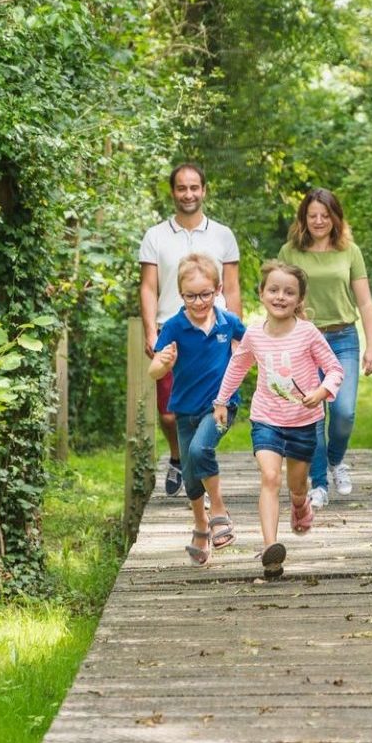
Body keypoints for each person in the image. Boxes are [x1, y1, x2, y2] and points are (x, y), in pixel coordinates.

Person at [213, 261, 343, 580]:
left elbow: (335, 369)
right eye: (273, 290)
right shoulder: (255, 334)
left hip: (302, 421)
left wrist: (322, 390)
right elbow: (237, 367)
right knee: (270, 477)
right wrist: (220, 400)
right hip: (266, 420)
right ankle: (271, 549)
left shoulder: (308, 333)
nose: (280, 297)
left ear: (299, 300)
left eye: (289, 292)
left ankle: (300, 506)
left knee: (297, 487)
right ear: (261, 294)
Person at [139, 163, 242, 497]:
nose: (188, 194)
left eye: (194, 187)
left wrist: (236, 337)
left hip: (215, 332)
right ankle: (178, 457)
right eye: (182, 188)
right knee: (170, 415)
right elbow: (148, 287)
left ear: (204, 190)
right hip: (173, 330)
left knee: (213, 406)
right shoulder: (155, 236)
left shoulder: (223, 235)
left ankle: (199, 461)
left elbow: (233, 287)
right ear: (173, 192)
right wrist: (150, 332)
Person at [276, 188, 372, 508]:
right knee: (313, 414)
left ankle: (335, 461)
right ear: (304, 219)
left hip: (343, 338)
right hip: (305, 341)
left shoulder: (350, 251)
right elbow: (278, 296)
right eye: (312, 215)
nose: (319, 221)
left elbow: (364, 300)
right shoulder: (290, 252)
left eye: (325, 215)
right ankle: (318, 483)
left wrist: (371, 347)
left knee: (344, 412)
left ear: (336, 218)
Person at [148, 254, 245, 565]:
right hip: (185, 410)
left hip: (221, 406)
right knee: (190, 477)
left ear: (218, 289)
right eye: (191, 295)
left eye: (205, 294)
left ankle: (218, 510)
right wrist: (162, 363)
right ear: (181, 294)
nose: (199, 301)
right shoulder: (175, 326)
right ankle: (201, 527)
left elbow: (254, 345)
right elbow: (154, 370)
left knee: (201, 451)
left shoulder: (228, 322)